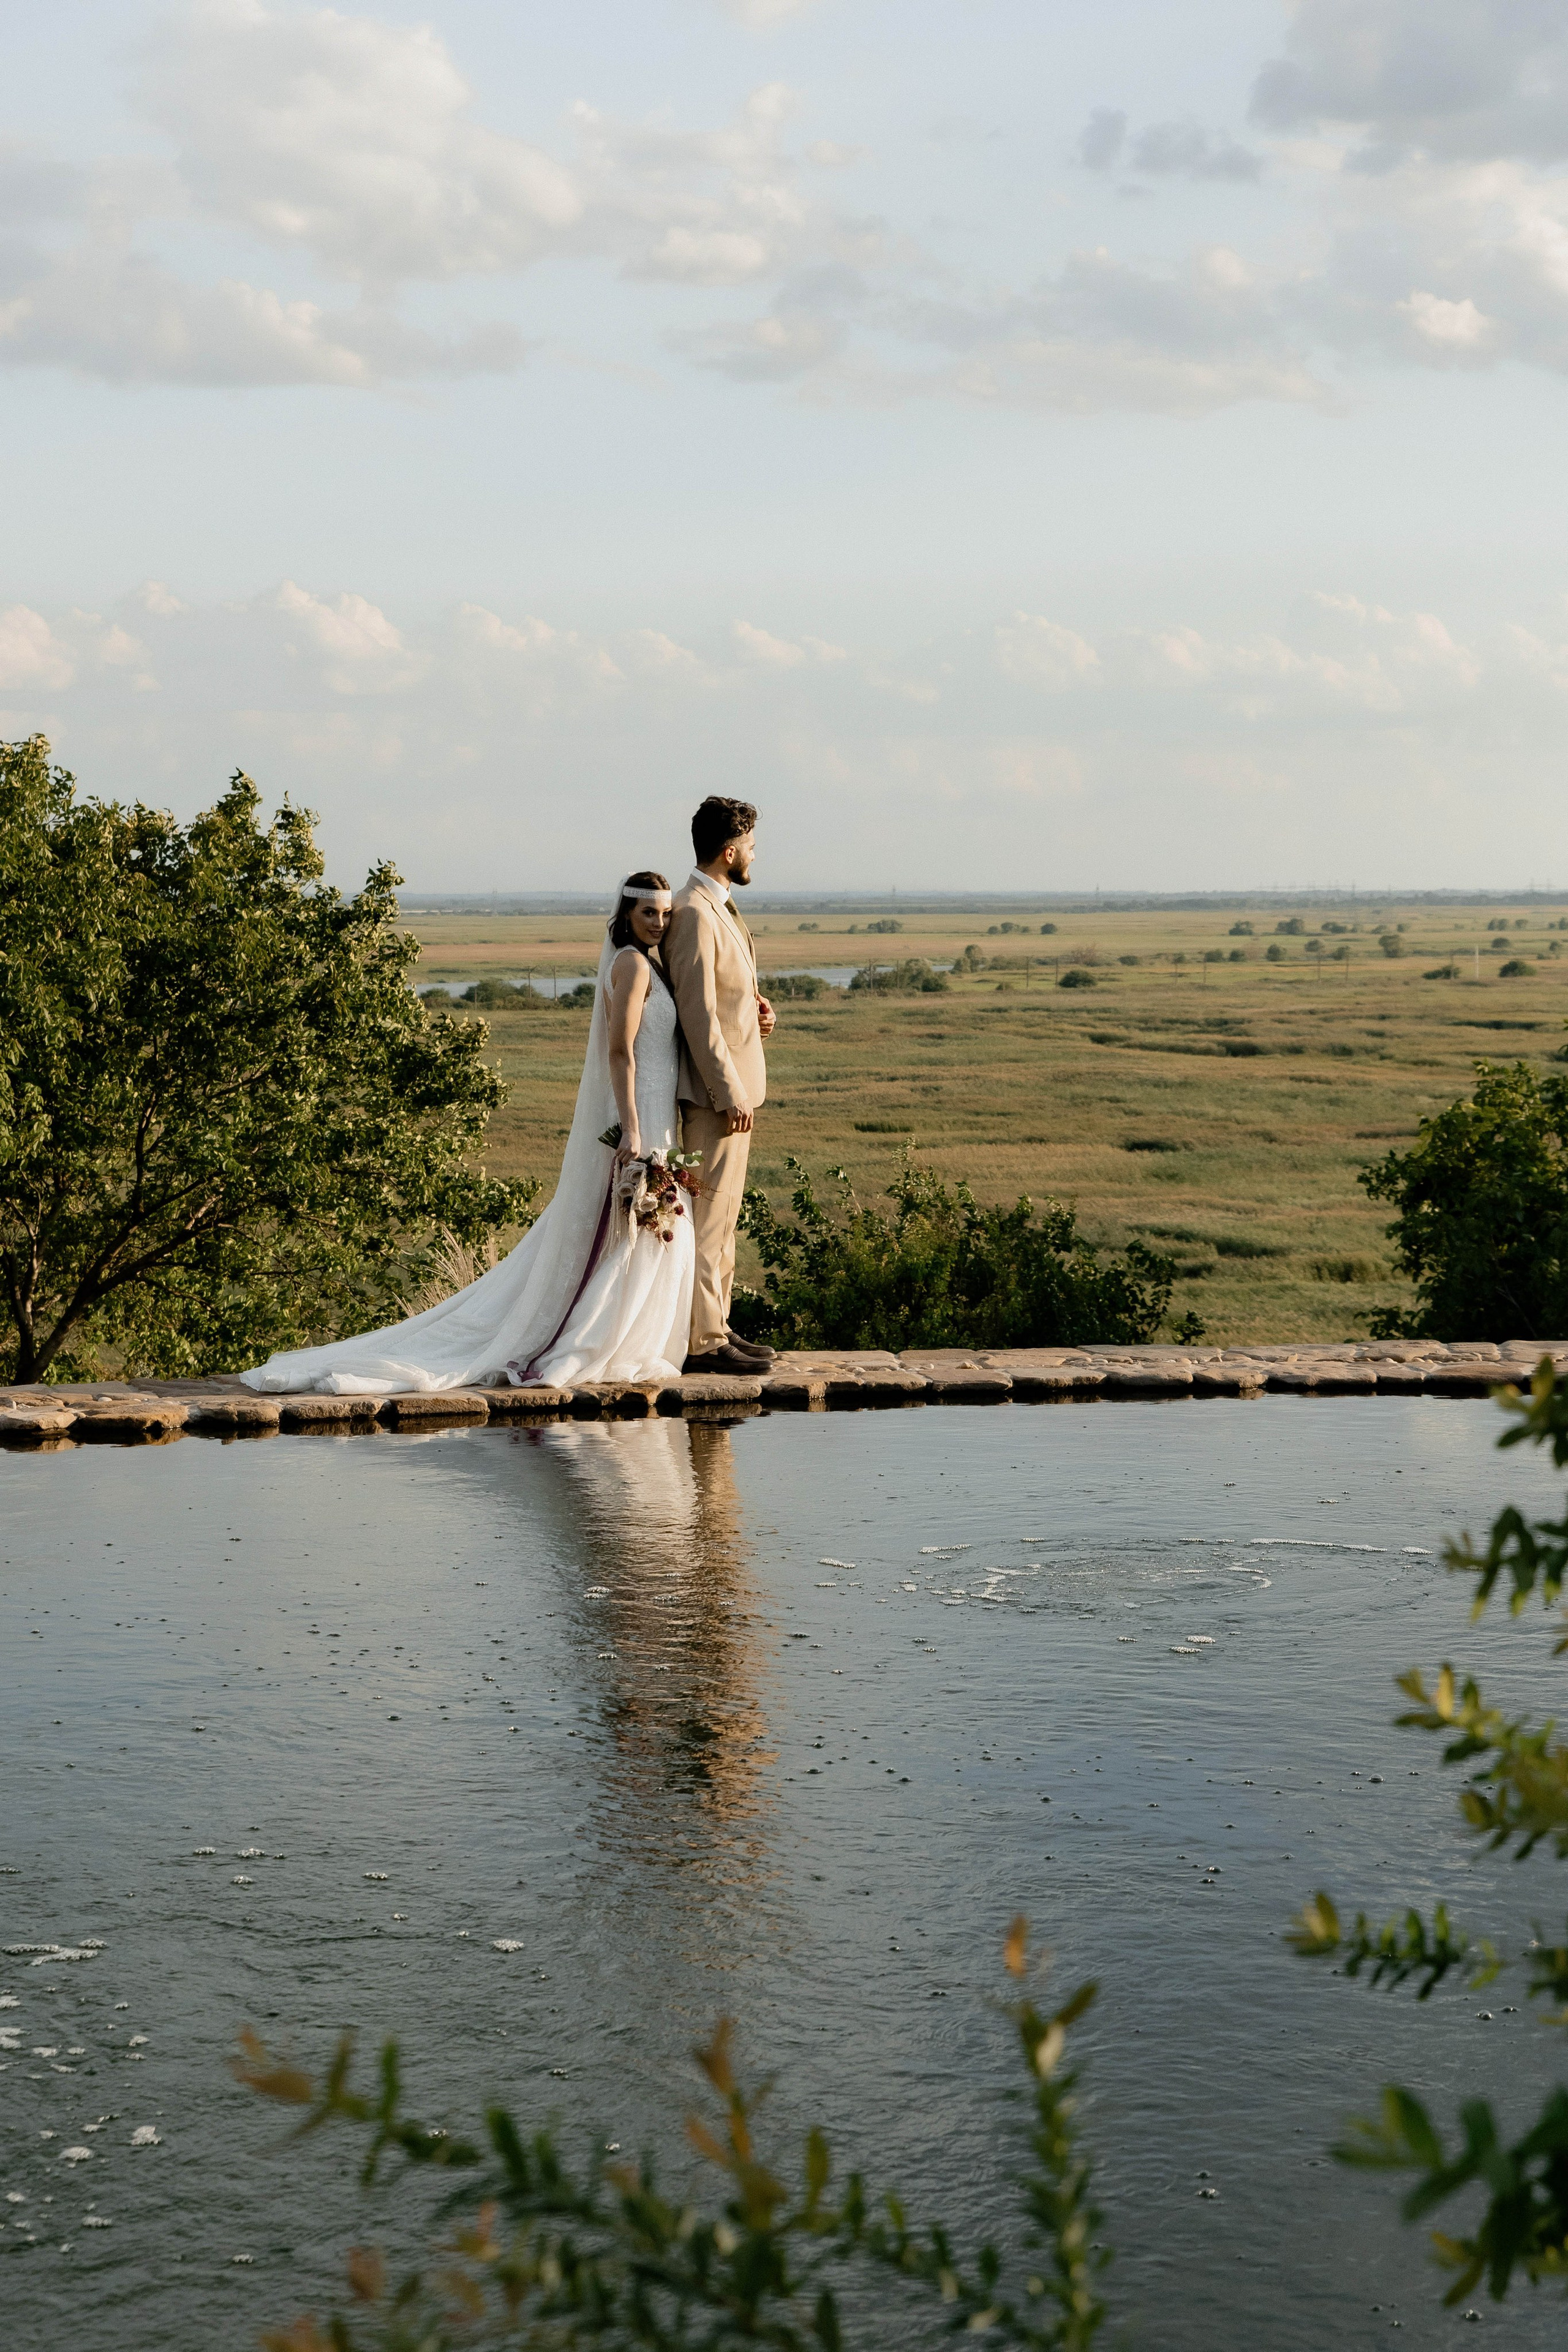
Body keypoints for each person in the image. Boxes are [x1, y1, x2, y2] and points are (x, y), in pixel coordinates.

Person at [238, 873, 695, 1395]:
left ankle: (629, 1337)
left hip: (658, 1111)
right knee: (631, 1227)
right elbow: (621, 1051)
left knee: (647, 1227)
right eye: (648, 915)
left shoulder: (650, 965)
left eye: (664, 915)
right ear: (627, 916)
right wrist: (632, 1128)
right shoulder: (633, 964)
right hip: (641, 1113)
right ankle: (599, 1339)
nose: (658, 924)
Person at [665, 797, 778, 1374]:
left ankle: (718, 1325)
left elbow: (725, 1001)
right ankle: (702, 1344)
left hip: (736, 1086)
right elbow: (698, 1015)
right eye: (753, 846)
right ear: (730, 851)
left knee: (726, 1215)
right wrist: (728, 1091)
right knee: (708, 1219)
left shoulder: (720, 908)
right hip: (715, 1096)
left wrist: (757, 1013)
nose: (757, 855)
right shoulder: (692, 912)